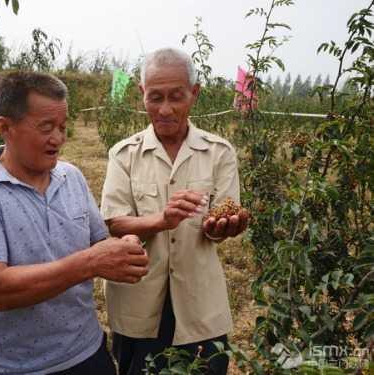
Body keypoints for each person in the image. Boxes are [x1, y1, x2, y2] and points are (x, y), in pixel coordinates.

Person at [0, 71, 149, 375]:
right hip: (15, 366)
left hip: (87, 353)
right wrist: (91, 262)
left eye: (63, 127)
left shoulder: (71, 177)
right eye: (46, 127)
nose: (58, 138)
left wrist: (120, 248)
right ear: (5, 127)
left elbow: (97, 241)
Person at [100, 48, 249, 375]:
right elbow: (113, 222)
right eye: (155, 98)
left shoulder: (218, 153)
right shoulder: (124, 155)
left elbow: (217, 224)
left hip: (200, 308)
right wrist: (161, 220)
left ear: (194, 94)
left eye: (176, 97)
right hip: (137, 307)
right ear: (141, 95)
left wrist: (222, 227)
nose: (165, 109)